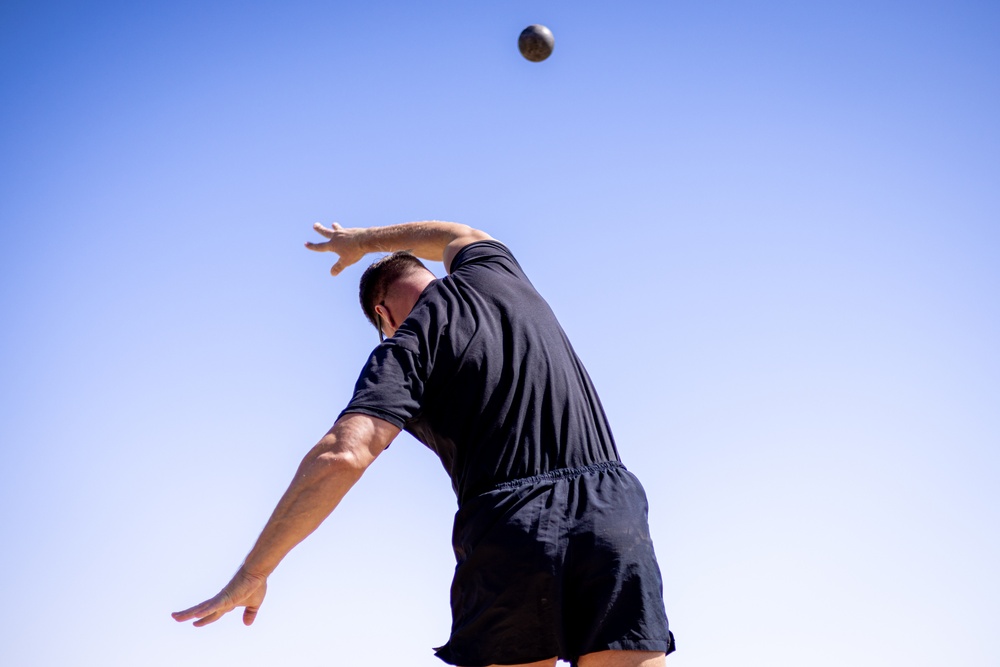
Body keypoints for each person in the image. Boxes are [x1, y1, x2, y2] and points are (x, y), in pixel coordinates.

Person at [173, 221, 675, 667]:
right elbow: (455, 233)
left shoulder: (406, 348)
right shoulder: (496, 273)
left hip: (510, 527)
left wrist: (254, 571)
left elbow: (343, 455)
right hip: (612, 513)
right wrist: (360, 241)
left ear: (383, 314)